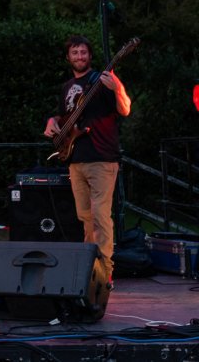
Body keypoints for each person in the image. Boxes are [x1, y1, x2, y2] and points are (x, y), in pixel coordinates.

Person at [43, 35, 131, 285]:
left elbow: (125, 109)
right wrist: (52, 121)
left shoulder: (103, 81)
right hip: (75, 158)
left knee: (101, 214)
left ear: (89, 56)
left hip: (102, 157)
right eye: (75, 53)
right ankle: (89, 266)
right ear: (68, 57)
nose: (79, 56)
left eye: (83, 52)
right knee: (85, 216)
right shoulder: (67, 86)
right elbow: (65, 117)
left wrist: (118, 88)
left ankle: (105, 271)